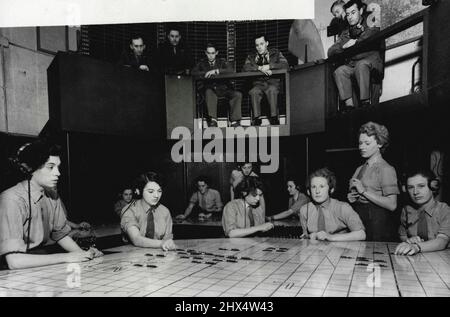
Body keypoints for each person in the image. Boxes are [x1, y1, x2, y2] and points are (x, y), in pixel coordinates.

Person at [0, 140, 103, 270]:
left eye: (58, 167)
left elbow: (60, 235)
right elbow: (14, 261)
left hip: (41, 262)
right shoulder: (11, 199)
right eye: (50, 167)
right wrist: (67, 257)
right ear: (30, 169)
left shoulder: (52, 195)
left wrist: (83, 254)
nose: (58, 173)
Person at [328, 0, 384, 113]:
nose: (349, 17)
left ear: (361, 11)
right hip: (354, 66)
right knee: (340, 71)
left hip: (371, 62)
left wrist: (355, 42)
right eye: (348, 14)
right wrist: (344, 47)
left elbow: (373, 33)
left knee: (361, 65)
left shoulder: (370, 18)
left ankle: (365, 103)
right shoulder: (346, 31)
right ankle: (349, 107)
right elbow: (331, 51)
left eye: (353, 13)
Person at [347, 122, 399, 241]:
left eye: (367, 143)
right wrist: (352, 197)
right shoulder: (359, 169)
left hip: (378, 225)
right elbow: (356, 194)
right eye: (360, 143)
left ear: (380, 143)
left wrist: (364, 192)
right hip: (358, 220)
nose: (361, 147)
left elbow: (392, 205)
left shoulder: (386, 169)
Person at [300, 168, 366, 241]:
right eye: (313, 187)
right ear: (309, 191)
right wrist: (308, 237)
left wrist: (330, 237)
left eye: (322, 186)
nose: (317, 191)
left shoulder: (342, 208)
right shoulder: (304, 210)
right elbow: (305, 236)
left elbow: (361, 234)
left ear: (331, 189)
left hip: (342, 249)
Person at [395, 169, 450, 255]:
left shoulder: (444, 210)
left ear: (433, 186)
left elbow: (442, 241)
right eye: (410, 187)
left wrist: (417, 246)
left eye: (421, 186)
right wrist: (409, 240)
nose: (415, 192)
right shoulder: (406, 210)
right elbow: (402, 235)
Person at [120, 172, 176, 251]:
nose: (156, 195)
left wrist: (168, 244)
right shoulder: (130, 210)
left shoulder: (165, 212)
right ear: (139, 191)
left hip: (159, 256)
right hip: (133, 256)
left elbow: (168, 240)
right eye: (151, 191)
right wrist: (162, 243)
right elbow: (136, 239)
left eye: (159, 191)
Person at [192, 43, 242, 127]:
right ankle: (213, 120)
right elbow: (193, 73)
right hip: (210, 90)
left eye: (213, 53)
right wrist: (206, 73)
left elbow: (231, 70)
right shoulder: (201, 63)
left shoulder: (222, 62)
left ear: (216, 53)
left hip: (223, 89)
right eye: (208, 53)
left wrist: (216, 71)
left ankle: (234, 121)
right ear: (205, 53)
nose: (211, 56)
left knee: (237, 94)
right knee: (208, 92)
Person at [242, 34, 289, 126]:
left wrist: (270, 66)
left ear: (267, 43)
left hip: (273, 83)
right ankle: (256, 119)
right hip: (258, 84)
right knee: (253, 92)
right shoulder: (251, 56)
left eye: (261, 44)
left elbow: (285, 65)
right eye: (257, 45)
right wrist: (259, 68)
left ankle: (274, 118)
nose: (259, 47)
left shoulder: (276, 53)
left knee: (272, 90)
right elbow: (245, 67)